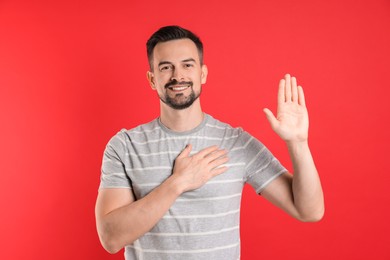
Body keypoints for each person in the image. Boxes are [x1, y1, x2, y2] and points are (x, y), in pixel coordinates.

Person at [95, 25, 324, 260]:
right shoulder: (124, 146)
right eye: (166, 67)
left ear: (202, 74)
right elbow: (111, 238)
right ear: (152, 79)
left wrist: (298, 143)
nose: (177, 75)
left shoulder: (237, 143)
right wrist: (178, 183)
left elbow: (309, 210)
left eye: (187, 65)